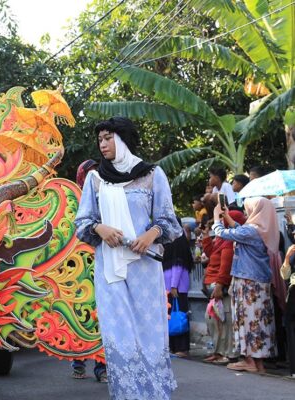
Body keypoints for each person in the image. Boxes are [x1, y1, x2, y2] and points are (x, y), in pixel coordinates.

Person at [74, 117, 182, 399]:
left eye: (108, 138)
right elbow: (82, 222)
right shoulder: (95, 179)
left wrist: (151, 234)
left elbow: (169, 221)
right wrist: (100, 228)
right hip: (110, 270)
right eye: (100, 140)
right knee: (119, 335)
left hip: (144, 268)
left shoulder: (152, 174)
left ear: (122, 139)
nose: (103, 144)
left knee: (148, 332)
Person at [213, 197, 277, 373]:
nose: (248, 213)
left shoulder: (252, 230)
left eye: (250, 209)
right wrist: (229, 218)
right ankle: (258, 363)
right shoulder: (263, 230)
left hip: (248, 283)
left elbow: (222, 233)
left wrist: (217, 218)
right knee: (260, 322)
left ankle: (249, 361)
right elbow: (241, 231)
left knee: (247, 321)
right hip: (260, 283)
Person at [70, 159, 107, 382]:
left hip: (102, 265)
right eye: (90, 173)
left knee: (103, 318)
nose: (94, 177)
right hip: (76, 271)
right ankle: (78, 362)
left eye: (97, 173)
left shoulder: (107, 199)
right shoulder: (73, 201)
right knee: (80, 317)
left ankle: (102, 368)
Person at [201, 209, 246, 365]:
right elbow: (211, 253)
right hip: (214, 283)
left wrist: (219, 285)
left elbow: (225, 265)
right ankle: (219, 351)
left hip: (220, 286)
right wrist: (206, 237)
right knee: (214, 320)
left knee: (223, 321)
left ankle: (227, 353)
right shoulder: (222, 239)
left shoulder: (229, 241)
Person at [163, 217, 195, 358]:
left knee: (179, 314)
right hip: (170, 286)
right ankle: (174, 347)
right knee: (173, 315)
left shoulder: (177, 239)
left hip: (176, 286)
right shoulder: (174, 238)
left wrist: (174, 285)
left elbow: (178, 264)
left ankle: (182, 348)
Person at [280, 245, 295, 378]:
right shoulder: (292, 250)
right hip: (293, 291)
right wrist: (287, 257)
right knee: (291, 331)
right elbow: (285, 275)